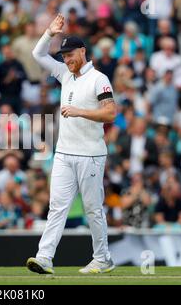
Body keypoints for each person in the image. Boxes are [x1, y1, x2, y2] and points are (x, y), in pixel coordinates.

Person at [26, 14, 116, 275]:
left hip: (91, 154)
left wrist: (79, 111)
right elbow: (37, 54)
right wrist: (50, 32)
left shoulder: (99, 79)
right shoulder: (65, 73)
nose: (67, 60)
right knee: (57, 206)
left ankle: (102, 258)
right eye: (63, 56)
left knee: (92, 209)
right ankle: (44, 257)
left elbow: (110, 113)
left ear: (83, 51)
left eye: (70, 55)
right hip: (64, 154)